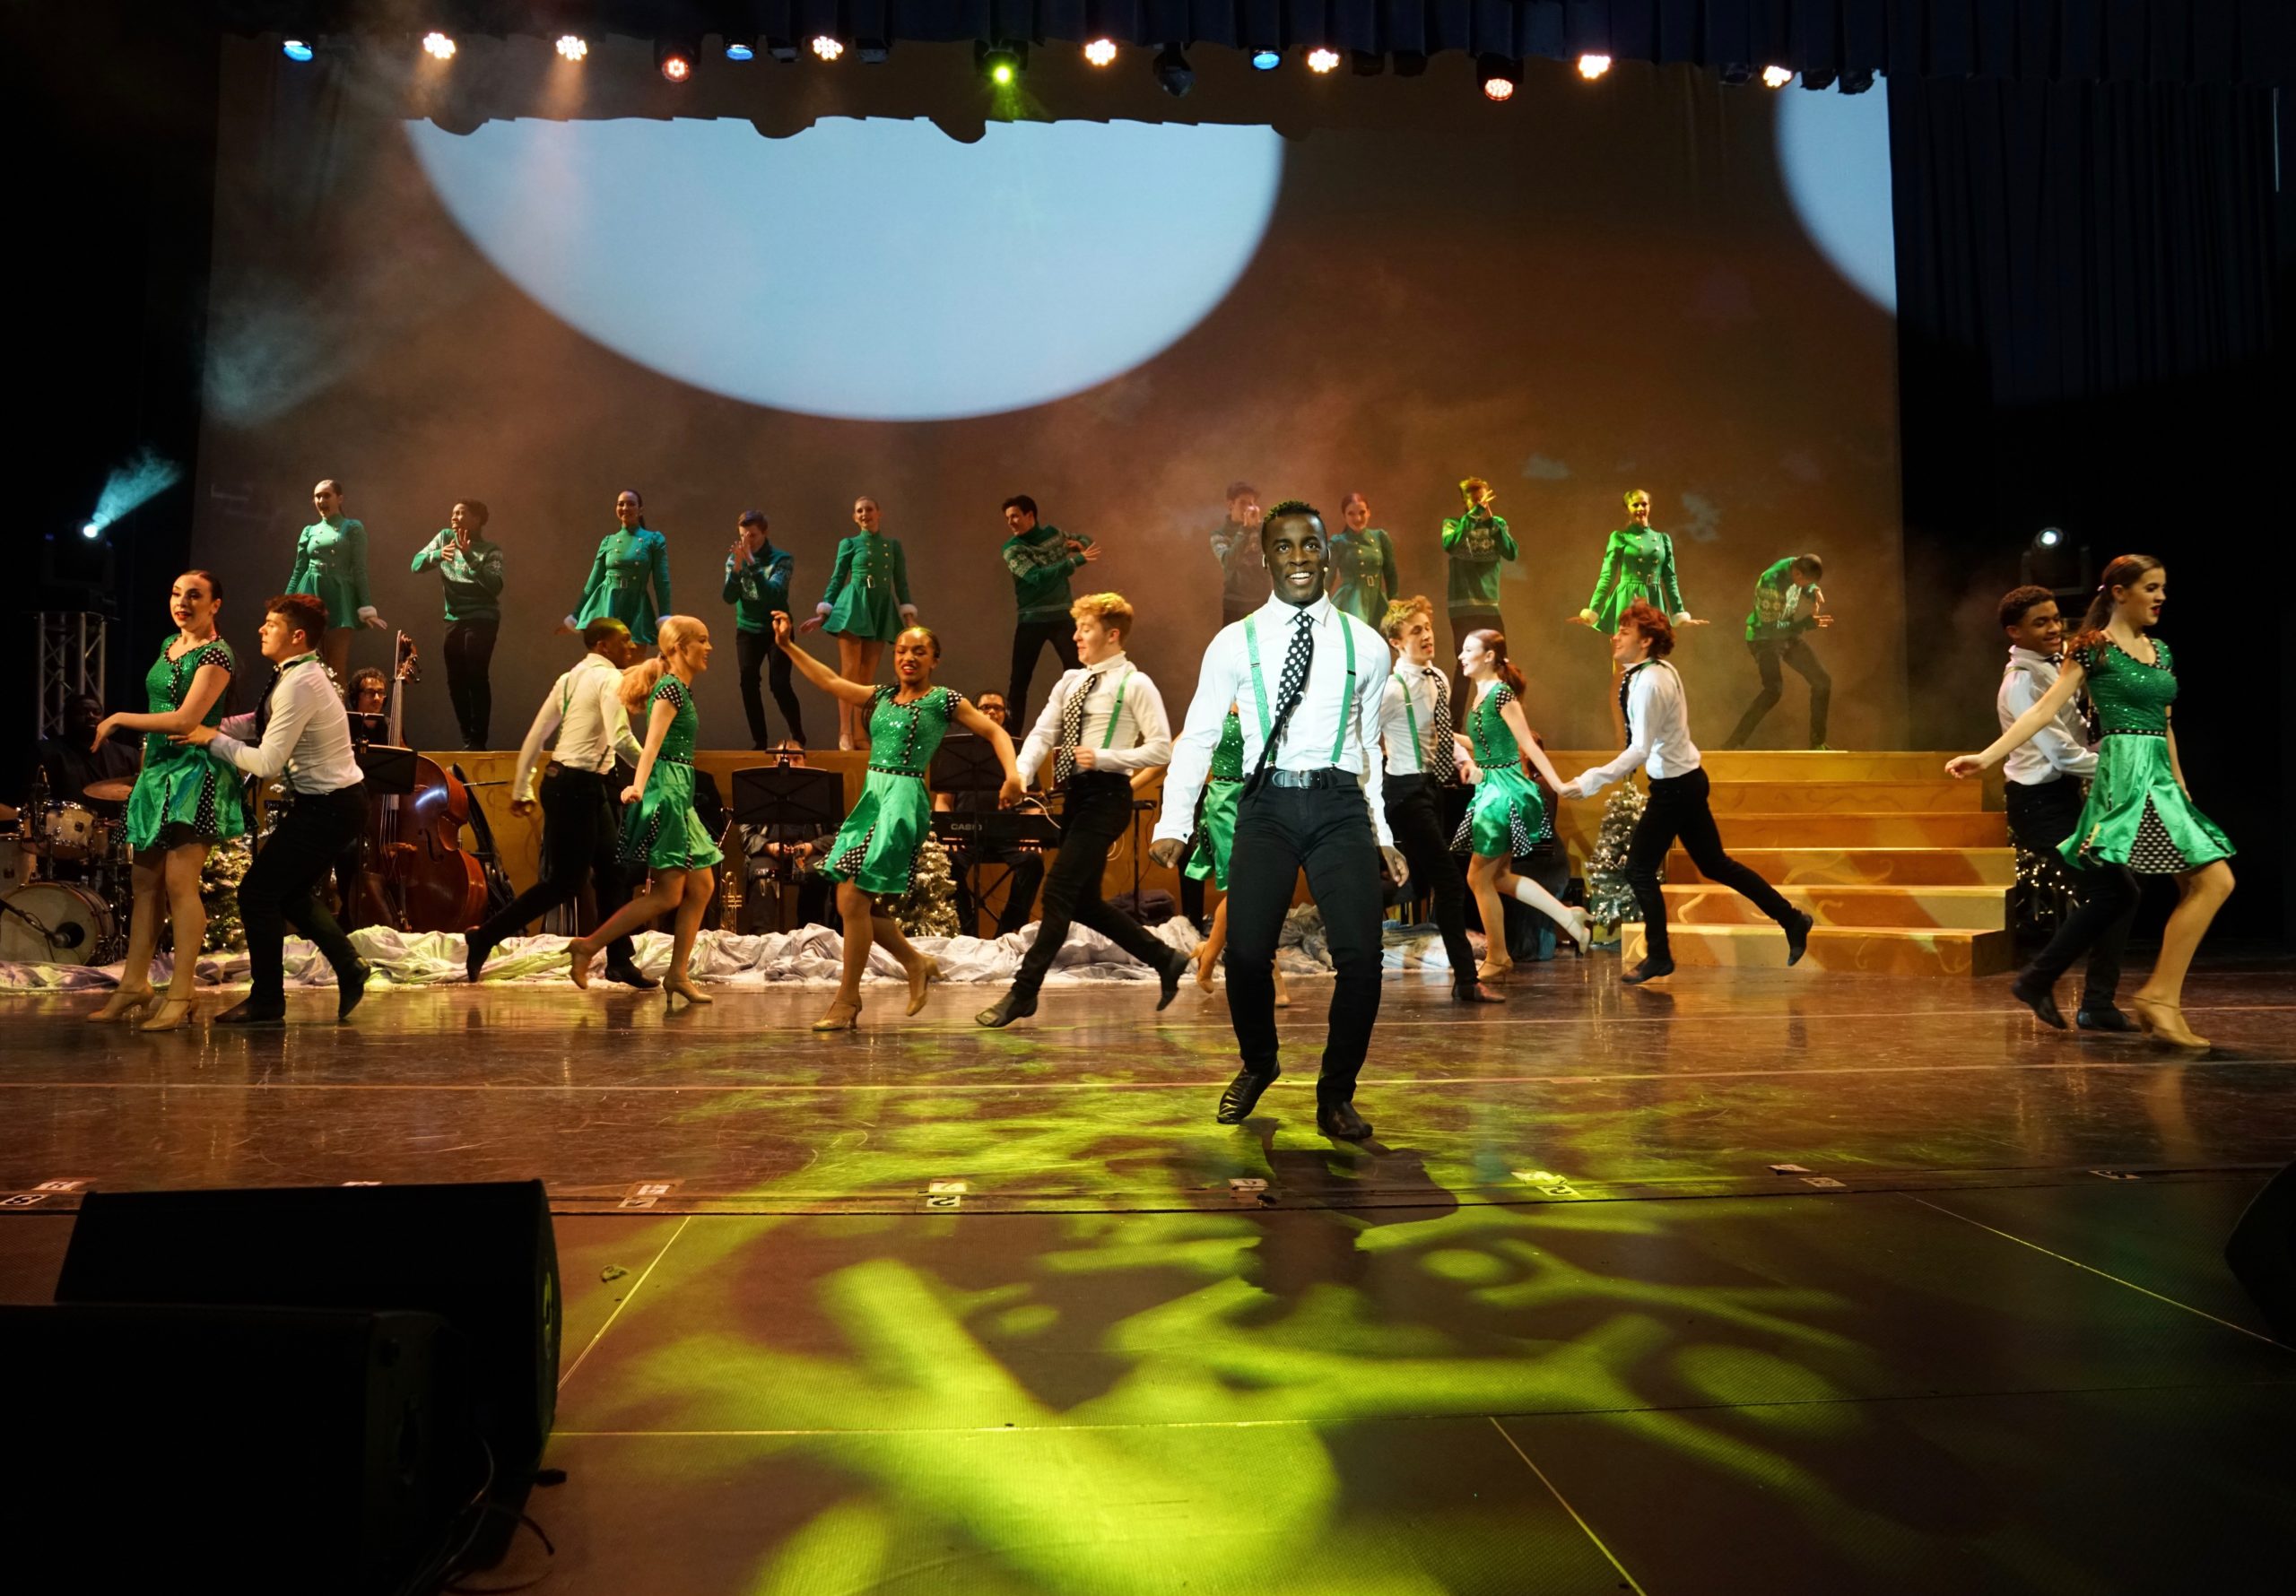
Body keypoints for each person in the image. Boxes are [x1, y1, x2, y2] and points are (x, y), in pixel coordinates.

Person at [1151, 500, 1410, 1142]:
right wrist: (1173, 820)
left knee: (1362, 959)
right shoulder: (1234, 642)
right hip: (1266, 804)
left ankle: (1336, 1094)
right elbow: (1199, 734)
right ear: (1265, 558)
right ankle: (1259, 1062)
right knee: (1244, 954)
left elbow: (1368, 749)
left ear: (1328, 554)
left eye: (1310, 545)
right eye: (1284, 546)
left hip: (1338, 806)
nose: (1299, 557)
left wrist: (1381, 833)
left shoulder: (1366, 645)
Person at [1948, 556, 2233, 1048]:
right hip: (2113, 780)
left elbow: (2164, 723)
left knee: (2177, 885)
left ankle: (2135, 998)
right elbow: (2043, 715)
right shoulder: (2089, 649)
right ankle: (2148, 997)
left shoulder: (2160, 650)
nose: (2161, 597)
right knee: (2195, 883)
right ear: (2119, 593)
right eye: (2151, 587)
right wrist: (1988, 756)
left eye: (2163, 587)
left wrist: (2181, 786)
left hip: (2156, 779)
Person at [775, 613, 1022, 1031]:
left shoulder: (943, 700)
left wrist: (1012, 775)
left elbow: (996, 734)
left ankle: (848, 999)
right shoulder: (882, 695)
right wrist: (787, 647)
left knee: (854, 899)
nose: (908, 657)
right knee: (851, 902)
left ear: (934, 660)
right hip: (873, 795)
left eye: (919, 652)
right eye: (902, 651)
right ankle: (915, 962)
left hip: (903, 799)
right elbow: (831, 682)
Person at [1560, 603, 1812, 984]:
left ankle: (1659, 955)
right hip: (1683, 782)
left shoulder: (1651, 681)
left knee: (1639, 869)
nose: (1615, 636)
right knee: (1715, 864)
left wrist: (1589, 781)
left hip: (1676, 789)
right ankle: (1792, 919)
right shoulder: (1651, 672)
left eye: (1625, 632)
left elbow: (1639, 749)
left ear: (1646, 641)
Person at [978, 593, 1190, 1027]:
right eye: (1077, 628)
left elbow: (1161, 749)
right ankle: (1165, 958)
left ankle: (1024, 991)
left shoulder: (1135, 683)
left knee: (1058, 891)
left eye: (1085, 629)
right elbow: (1042, 733)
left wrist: (1107, 757)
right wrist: (1019, 775)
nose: (1075, 636)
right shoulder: (1070, 681)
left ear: (1112, 635)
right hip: (1076, 797)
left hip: (1108, 797)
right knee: (1085, 904)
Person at [178, 593, 373, 1026]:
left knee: (258, 893)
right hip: (329, 804)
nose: (261, 630)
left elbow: (267, 762)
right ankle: (349, 966)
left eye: (271, 624)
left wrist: (212, 740)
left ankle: (268, 1000)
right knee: (290, 894)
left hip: (331, 807)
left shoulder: (302, 683)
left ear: (297, 636)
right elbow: (261, 721)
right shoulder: (296, 675)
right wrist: (210, 726)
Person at [1972, 586, 2141, 1032]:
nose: (2054, 628)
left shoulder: (2056, 665)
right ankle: (2039, 980)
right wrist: (2124, 766)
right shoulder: (2022, 683)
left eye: (2054, 618)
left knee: (2119, 894)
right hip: (2039, 805)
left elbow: (2078, 736)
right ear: (2015, 632)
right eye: (2040, 623)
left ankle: (2096, 1003)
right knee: (2112, 893)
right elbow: (2063, 756)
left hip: (2064, 798)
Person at [82, 571, 244, 1031]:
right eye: (176, 593)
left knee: (179, 882)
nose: (182, 602)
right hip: (157, 773)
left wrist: (117, 718)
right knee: (144, 882)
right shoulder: (169, 645)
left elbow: (185, 719)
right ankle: (134, 984)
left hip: (195, 773)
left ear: (215, 605)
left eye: (194, 595)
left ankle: (182, 992)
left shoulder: (216, 654)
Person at [465, 618, 656, 988]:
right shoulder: (609, 678)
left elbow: (536, 736)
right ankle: (484, 936)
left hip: (571, 783)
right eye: (624, 640)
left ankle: (619, 959)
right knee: (564, 883)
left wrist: (524, 787)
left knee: (613, 872)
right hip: (576, 787)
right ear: (602, 645)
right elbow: (620, 738)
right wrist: (656, 769)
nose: (632, 647)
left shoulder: (569, 679)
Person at [564, 616, 721, 1005]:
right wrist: (638, 784)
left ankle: (677, 973)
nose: (709, 648)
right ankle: (588, 946)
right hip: (667, 791)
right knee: (668, 895)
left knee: (701, 886)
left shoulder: (679, 688)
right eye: (702, 640)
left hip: (679, 789)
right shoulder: (670, 690)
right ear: (680, 647)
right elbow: (650, 745)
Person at [1375, 597, 1497, 1002]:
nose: (1427, 635)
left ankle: (1462, 978)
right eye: (1416, 631)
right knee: (1449, 882)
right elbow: (1362, 738)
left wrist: (1464, 759)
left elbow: (1441, 734)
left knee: (1432, 882)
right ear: (1396, 642)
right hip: (1404, 792)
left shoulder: (1439, 678)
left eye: (1427, 627)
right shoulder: (1391, 689)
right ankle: (1466, 981)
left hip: (1432, 787)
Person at [1454, 628, 1590, 975]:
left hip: (1504, 791)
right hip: (1491, 787)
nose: (1461, 656)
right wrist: (1445, 734)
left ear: (1489, 656)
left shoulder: (1501, 694)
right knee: (1498, 876)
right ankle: (1568, 917)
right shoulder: (1481, 694)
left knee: (1478, 879)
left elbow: (1527, 743)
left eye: (1468, 650)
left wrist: (1557, 784)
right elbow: (1482, 744)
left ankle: (1498, 956)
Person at [1182, 707, 1290, 1009]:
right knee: (1245, 889)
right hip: (1225, 801)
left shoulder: (1264, 704)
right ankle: (1273, 978)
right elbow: (1180, 748)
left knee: (1256, 891)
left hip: (1262, 798)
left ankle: (1208, 953)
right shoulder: (1215, 707)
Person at [1578, 489, 1705, 744]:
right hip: (1626, 600)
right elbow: (1607, 576)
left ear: (1650, 506)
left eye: (1643, 504)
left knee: (1652, 669)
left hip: (1652, 602)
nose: (1640, 509)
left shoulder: (1662, 539)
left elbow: (1670, 578)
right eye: (1635, 505)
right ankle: (1623, 735)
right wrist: (1592, 610)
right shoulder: (1620, 537)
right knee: (1622, 673)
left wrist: (1679, 613)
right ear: (1627, 509)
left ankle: (1650, 734)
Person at [801, 495, 916, 751]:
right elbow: (837, 577)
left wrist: (908, 615)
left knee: (867, 678)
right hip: (854, 605)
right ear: (855, 517)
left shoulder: (892, 546)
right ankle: (845, 732)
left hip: (880, 608)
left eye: (869, 509)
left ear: (879, 513)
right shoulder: (850, 543)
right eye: (860, 511)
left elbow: (901, 582)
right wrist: (824, 613)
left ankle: (861, 734)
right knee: (850, 673)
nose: (865, 514)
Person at [937, 691, 1043, 939]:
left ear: (1006, 714)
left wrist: (1032, 833)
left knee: (1032, 862)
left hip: (1008, 833)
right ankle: (967, 931)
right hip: (964, 834)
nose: (992, 711)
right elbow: (943, 801)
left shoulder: (1020, 752)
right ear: (975, 711)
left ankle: (1008, 930)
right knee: (947, 862)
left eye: (998, 707)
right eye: (985, 707)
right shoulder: (956, 751)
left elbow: (1033, 802)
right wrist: (947, 834)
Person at [410, 500, 505, 749]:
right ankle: (468, 740)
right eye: (453, 512)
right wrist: (437, 555)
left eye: (462, 513)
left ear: (477, 520)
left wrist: (470, 556)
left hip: (482, 617)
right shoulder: (445, 538)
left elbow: (495, 585)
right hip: (454, 618)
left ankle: (478, 740)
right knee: (455, 680)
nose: (455, 517)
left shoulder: (491, 550)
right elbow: (416, 564)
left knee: (476, 674)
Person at [1001, 494, 1099, 728]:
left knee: (1078, 673)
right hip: (1031, 620)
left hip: (1062, 617)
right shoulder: (1012, 549)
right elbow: (1036, 577)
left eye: (1015, 516)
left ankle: (1079, 730)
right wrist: (1074, 561)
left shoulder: (1053, 534)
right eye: (1008, 518)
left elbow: (1084, 539)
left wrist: (1080, 543)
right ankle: (1012, 737)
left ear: (1030, 515)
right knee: (1019, 681)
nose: (1011, 522)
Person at [1724, 554, 1834, 750]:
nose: (1804, 586)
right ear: (1797, 574)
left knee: (1822, 681)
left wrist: (1812, 590)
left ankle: (1818, 744)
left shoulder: (1796, 565)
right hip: (1763, 638)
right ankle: (1732, 744)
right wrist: (1806, 624)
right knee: (1773, 690)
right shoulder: (1771, 584)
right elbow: (1771, 628)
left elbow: (1803, 586)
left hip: (1786, 634)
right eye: (1805, 583)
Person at [286, 479, 388, 683]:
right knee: (305, 664)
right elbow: (298, 570)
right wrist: (284, 604)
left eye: (326, 495)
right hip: (310, 594)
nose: (321, 500)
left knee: (335, 666)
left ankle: (336, 704)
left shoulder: (352, 528)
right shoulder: (309, 531)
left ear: (339, 499)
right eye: (317, 496)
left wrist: (366, 606)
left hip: (339, 596)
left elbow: (359, 569)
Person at [722, 510, 804, 750]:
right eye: (742, 536)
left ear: (764, 533)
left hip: (777, 628)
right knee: (748, 682)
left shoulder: (782, 559)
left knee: (779, 684)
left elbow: (773, 595)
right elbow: (728, 597)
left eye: (752, 535)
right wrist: (737, 569)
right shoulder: (734, 559)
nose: (747, 541)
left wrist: (752, 563)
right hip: (748, 629)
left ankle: (798, 735)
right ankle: (759, 741)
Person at [562, 489, 673, 647]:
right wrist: (575, 615)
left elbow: (662, 581)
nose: (625, 508)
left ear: (640, 510)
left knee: (634, 657)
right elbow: (593, 581)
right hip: (607, 604)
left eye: (631, 504)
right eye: (621, 504)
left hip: (636, 606)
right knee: (607, 657)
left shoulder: (653, 539)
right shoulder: (608, 541)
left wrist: (665, 617)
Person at [1441, 477, 1518, 683]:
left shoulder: (1497, 524)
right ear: (1465, 502)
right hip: (1463, 608)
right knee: (1465, 665)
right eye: (1474, 500)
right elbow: (1450, 544)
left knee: (1499, 663)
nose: (1480, 503)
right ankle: (1458, 708)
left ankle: (1502, 702)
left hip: (1489, 606)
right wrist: (1474, 515)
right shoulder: (1453, 524)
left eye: (1483, 499)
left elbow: (1511, 553)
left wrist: (1492, 522)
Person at [36, 692, 139, 819]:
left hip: (117, 827)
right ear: (68, 718)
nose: (91, 716)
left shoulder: (126, 755)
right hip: (68, 826)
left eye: (96, 712)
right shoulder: (49, 751)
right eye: (82, 712)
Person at [1328, 492, 1399, 629]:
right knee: (1357, 633)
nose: (1358, 518)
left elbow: (1390, 571)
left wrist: (1393, 598)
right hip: (1351, 601)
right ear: (1344, 516)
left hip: (1377, 600)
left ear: (1369, 512)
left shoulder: (1380, 537)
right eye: (1351, 514)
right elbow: (1328, 576)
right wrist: (1320, 603)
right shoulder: (1338, 543)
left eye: (1362, 512)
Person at [1208, 481, 1266, 627]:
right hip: (1235, 605)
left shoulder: (1264, 529)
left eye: (1251, 503)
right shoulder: (1219, 535)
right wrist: (1246, 530)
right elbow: (1229, 563)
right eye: (1242, 503)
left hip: (1262, 602)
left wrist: (1260, 529)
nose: (1247, 508)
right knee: (1238, 642)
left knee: (1264, 642)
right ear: (1230, 505)